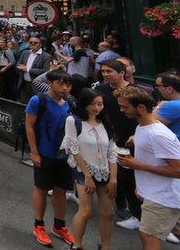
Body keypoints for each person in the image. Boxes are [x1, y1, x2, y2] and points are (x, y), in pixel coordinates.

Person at [116, 86, 180, 250]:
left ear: (141, 108)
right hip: (155, 194)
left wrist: (138, 165)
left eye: (125, 107)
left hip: (164, 197)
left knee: (148, 236)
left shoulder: (158, 134)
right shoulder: (141, 127)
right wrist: (142, 188)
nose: (121, 110)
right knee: (148, 235)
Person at [61, 89, 118, 250]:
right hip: (83, 170)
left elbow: (112, 151)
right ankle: (77, 245)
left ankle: (106, 246)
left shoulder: (105, 123)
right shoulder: (74, 120)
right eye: (92, 104)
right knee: (85, 211)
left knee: (108, 212)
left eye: (100, 104)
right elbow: (73, 147)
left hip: (105, 171)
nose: (96, 107)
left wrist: (113, 178)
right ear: (84, 104)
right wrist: (87, 175)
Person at [25, 69, 76, 247]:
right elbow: (29, 126)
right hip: (44, 152)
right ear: (50, 82)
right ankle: (39, 225)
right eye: (60, 83)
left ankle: (59, 226)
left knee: (61, 190)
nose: (64, 88)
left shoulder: (70, 102)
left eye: (68, 85)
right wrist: (34, 151)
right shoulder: (38, 100)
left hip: (65, 156)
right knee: (41, 188)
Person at [94, 60, 142, 231]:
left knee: (136, 178)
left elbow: (148, 114)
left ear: (122, 73)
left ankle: (144, 217)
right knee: (122, 177)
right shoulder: (100, 90)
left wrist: (138, 134)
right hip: (113, 140)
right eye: (103, 71)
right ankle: (130, 210)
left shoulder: (136, 91)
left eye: (109, 71)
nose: (105, 74)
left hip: (135, 140)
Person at [18, 37, 54, 102]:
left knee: (36, 105)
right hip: (24, 84)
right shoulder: (25, 52)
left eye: (35, 43)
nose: (33, 44)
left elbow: (46, 72)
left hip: (36, 86)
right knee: (23, 104)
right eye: (31, 42)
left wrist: (28, 69)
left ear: (40, 44)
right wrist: (19, 67)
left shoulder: (46, 56)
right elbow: (18, 64)